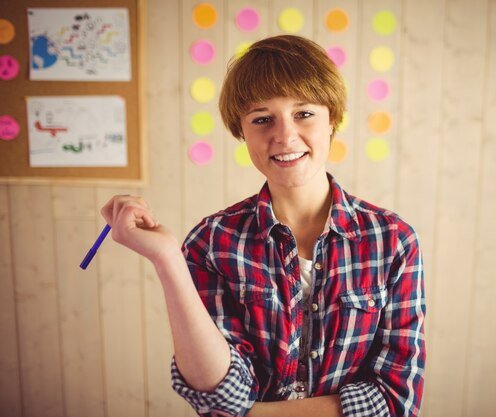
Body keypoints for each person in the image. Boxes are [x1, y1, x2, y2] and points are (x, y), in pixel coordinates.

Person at [101, 35, 425, 417]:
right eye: (262, 119)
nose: (284, 136)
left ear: (332, 119)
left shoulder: (393, 241)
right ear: (242, 131)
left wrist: (255, 414)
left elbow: (395, 401)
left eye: (303, 114)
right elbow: (219, 394)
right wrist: (167, 260)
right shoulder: (211, 243)